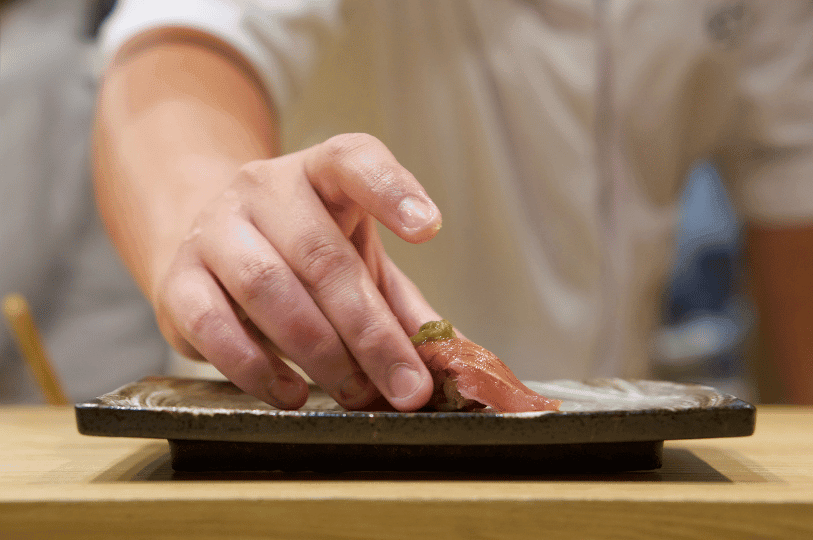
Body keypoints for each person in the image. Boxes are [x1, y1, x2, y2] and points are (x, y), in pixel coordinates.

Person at [93, 0, 813, 410]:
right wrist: (205, 205)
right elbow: (176, 55)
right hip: (310, 443)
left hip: (603, 459)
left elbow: (794, 209)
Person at [0, 0, 168, 403]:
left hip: (57, 394)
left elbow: (10, 255)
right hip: (122, 372)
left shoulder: (33, 63)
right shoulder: (82, 39)